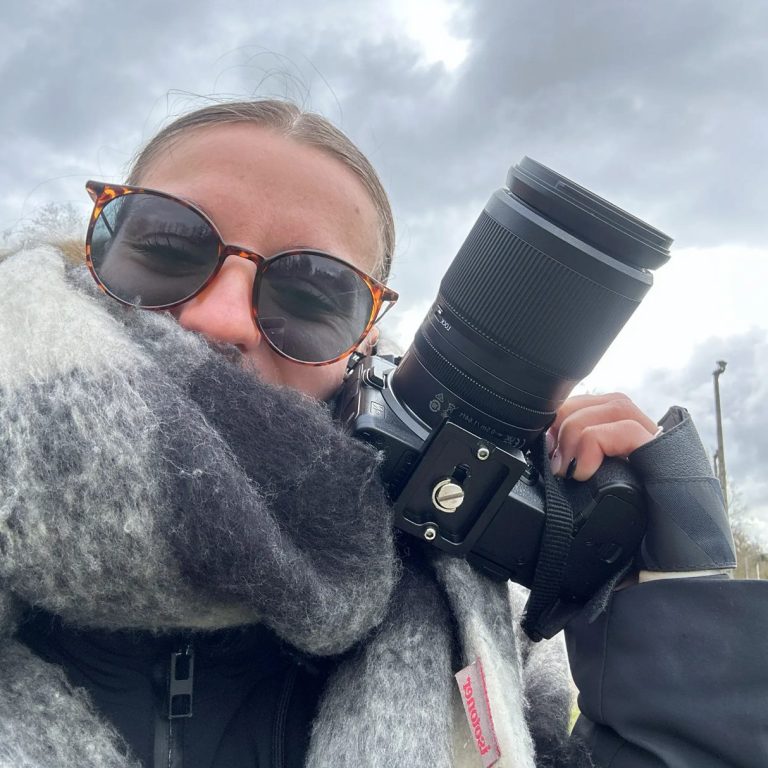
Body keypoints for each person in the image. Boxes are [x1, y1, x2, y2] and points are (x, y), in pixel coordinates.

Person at [0, 99, 764, 768]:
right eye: (166, 247)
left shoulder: (476, 645)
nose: (221, 319)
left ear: (362, 351)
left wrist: (671, 603)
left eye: (312, 294)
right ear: (96, 250)